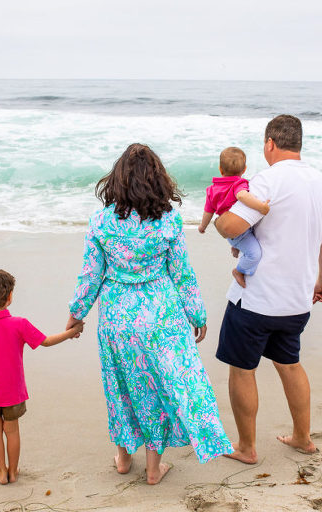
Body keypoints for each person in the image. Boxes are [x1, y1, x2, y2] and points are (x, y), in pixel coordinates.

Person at [67, 143, 233, 485]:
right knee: (156, 388)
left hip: (116, 317)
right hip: (160, 315)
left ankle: (123, 458)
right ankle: (154, 468)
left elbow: (90, 275)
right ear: (157, 180)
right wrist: (197, 313)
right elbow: (182, 273)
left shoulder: (101, 221)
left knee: (120, 386)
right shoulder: (169, 220)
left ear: (117, 180)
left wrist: (76, 313)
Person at [214, 115, 322, 463]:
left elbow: (233, 225)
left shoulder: (266, 180)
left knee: (242, 370)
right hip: (297, 300)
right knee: (290, 364)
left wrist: (220, 220)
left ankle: (247, 448)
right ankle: (302, 438)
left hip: (256, 298)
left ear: (270, 143)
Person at [0, 268, 84, 484]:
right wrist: (71, 333)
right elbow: (46, 341)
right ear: (10, 296)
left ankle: (1, 472)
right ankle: (13, 471)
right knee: (12, 430)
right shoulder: (19, 324)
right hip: (12, 391)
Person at [198, 147, 270, 288]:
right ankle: (239, 271)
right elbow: (242, 196)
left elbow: (208, 211)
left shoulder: (212, 189)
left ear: (220, 169)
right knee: (254, 254)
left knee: (244, 239)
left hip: (232, 231)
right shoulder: (238, 184)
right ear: (244, 170)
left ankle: (236, 246)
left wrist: (202, 226)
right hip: (239, 232)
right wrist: (261, 207)